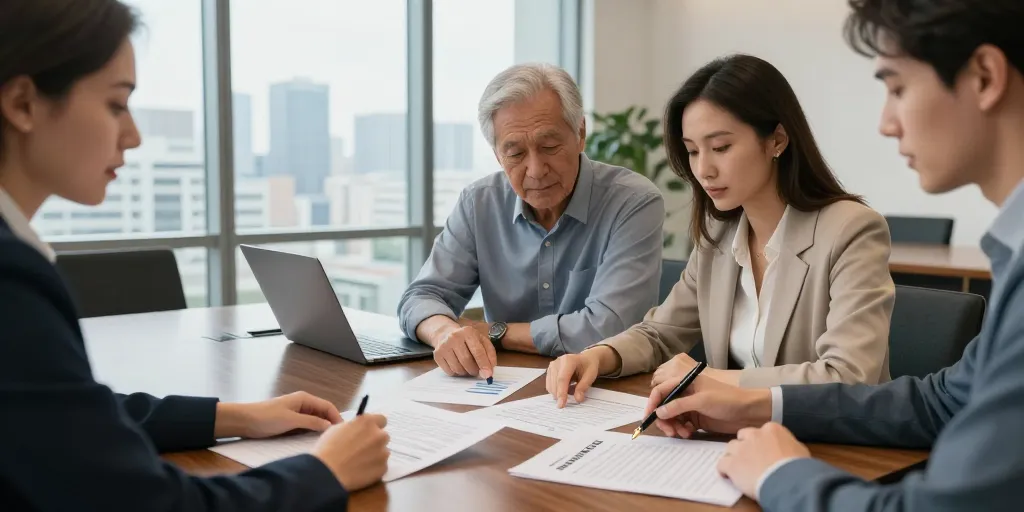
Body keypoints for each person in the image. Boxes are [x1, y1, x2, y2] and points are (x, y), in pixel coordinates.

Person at [0, 1, 389, 510]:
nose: (133, 136)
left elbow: (55, 411)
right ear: (24, 104)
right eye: (117, 105)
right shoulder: (11, 277)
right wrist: (324, 471)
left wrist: (237, 417)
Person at [644, 0, 1024, 509]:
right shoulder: (1014, 258)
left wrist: (781, 473)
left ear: (983, 76)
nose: (886, 123)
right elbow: (940, 401)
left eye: (897, 88)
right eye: (692, 150)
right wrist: (752, 405)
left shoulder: (850, 228)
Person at [545, 54, 895, 407]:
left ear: (777, 140)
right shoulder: (719, 236)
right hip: (740, 437)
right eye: (693, 151)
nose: (704, 170)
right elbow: (660, 334)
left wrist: (709, 378)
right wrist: (598, 356)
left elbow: (848, 375)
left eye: (721, 147)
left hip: (838, 443)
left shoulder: (852, 230)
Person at [397, 63, 665, 379]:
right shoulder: (479, 203)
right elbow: (419, 298)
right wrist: (443, 331)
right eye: (515, 153)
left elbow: (611, 328)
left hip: (605, 391)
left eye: (549, 147)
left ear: (580, 134)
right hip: (503, 386)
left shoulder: (633, 201)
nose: (536, 170)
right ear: (497, 155)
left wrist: (494, 331)